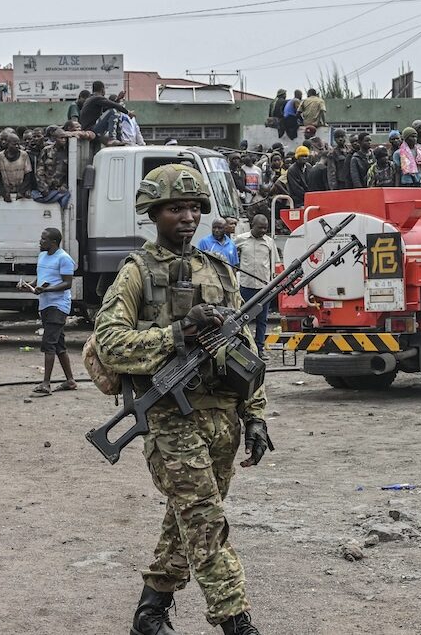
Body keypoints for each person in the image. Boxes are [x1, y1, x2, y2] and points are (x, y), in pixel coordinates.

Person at [94, 164, 270, 635]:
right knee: (205, 521)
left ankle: (150, 612)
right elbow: (108, 341)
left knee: (186, 520)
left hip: (222, 419)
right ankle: (236, 621)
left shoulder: (218, 269)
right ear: (153, 213)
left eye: (194, 207)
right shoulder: (136, 272)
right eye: (176, 208)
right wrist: (175, 334)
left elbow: (244, 348)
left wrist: (256, 416)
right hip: (170, 417)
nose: (187, 216)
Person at [18, 228, 76, 397]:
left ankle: (46, 383)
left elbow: (67, 283)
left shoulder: (64, 258)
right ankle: (70, 380)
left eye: (43, 239)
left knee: (48, 344)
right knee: (59, 345)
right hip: (45, 305)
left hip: (58, 306)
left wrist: (47, 290)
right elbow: (40, 278)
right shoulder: (42, 256)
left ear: (53, 243)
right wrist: (28, 285)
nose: (40, 241)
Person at [234, 214, 278, 359]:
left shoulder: (269, 242)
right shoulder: (240, 240)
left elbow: (274, 264)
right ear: (253, 225)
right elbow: (232, 257)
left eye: (265, 228)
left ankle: (260, 349)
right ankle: (241, 348)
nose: (263, 231)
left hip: (263, 287)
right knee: (241, 319)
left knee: (262, 320)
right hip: (246, 286)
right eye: (260, 228)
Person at [0, 132, 32, 202]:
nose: (17, 146)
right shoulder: (0, 156)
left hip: (21, 189)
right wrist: (3, 193)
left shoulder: (24, 155)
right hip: (6, 189)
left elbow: (28, 176)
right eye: (14, 144)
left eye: (18, 144)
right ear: (7, 144)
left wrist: (21, 191)